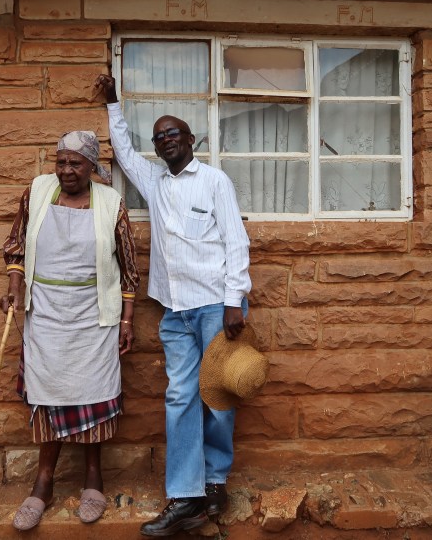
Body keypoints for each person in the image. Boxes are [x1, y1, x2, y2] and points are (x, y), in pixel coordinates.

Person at [94, 74, 252, 537]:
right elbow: (124, 152)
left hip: (214, 306)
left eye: (172, 134)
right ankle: (186, 496)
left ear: (191, 139)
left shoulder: (214, 181)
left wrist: (233, 301)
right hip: (174, 309)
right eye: (158, 137)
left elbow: (236, 242)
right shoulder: (154, 180)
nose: (164, 141)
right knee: (181, 397)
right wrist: (113, 104)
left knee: (219, 397)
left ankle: (216, 480)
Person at [0, 130, 139, 531]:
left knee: (92, 395)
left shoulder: (111, 204)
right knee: (48, 395)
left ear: (92, 167)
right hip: (44, 311)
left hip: (94, 316)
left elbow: (129, 268)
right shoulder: (38, 191)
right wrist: (14, 287)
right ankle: (43, 483)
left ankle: (93, 478)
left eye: (75, 163)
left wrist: (127, 321)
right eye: (61, 162)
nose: (66, 170)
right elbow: (16, 245)